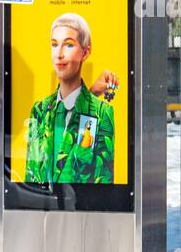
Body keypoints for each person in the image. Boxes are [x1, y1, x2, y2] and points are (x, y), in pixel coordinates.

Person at [23, 12, 117, 185]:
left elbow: (103, 181)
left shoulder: (102, 113)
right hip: (42, 201)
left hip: (81, 201)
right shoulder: (39, 110)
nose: (59, 54)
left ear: (85, 52)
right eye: (54, 44)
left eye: (68, 45)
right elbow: (31, 174)